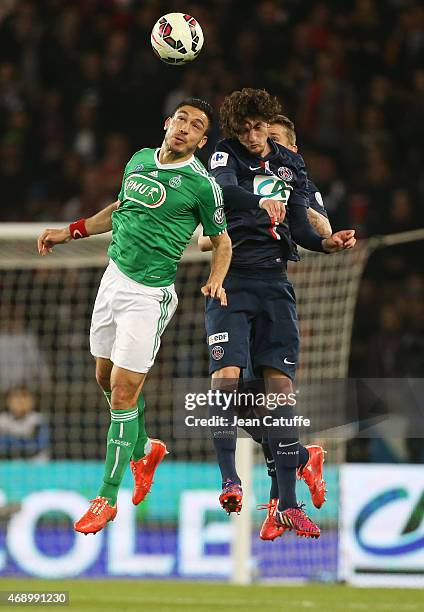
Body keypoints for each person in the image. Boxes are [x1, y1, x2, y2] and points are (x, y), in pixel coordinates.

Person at [37, 98, 232, 535]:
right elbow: (118, 209)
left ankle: (106, 497)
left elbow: (222, 242)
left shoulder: (203, 186)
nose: (185, 127)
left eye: (196, 125)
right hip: (113, 280)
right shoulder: (139, 160)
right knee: (103, 379)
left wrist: (216, 279)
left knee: (124, 395)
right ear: (167, 123)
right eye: (181, 118)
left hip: (149, 296)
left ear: (202, 142)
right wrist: (69, 232)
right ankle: (145, 448)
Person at [203, 88, 355, 539]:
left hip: (275, 283)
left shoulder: (291, 166)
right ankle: (230, 478)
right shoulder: (223, 155)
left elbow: (303, 226)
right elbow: (225, 192)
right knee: (227, 377)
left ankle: (287, 503)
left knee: (280, 389)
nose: (252, 136)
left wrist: (327, 243)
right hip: (231, 277)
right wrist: (258, 202)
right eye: (245, 128)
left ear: (270, 123)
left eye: (259, 127)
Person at [268, 114, 332, 238]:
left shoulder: (304, 187)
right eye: (264, 139)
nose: (267, 145)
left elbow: (325, 233)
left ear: (292, 150)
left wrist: (292, 199)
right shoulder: (241, 177)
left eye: (274, 139)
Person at [0, 386, 50, 461]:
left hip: (35, 464)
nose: (20, 401)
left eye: (24, 397)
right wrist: (23, 441)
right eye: (16, 397)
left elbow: (39, 446)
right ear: (8, 401)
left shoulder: (38, 420)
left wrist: (11, 440)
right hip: (7, 465)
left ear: (32, 401)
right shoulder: (2, 420)